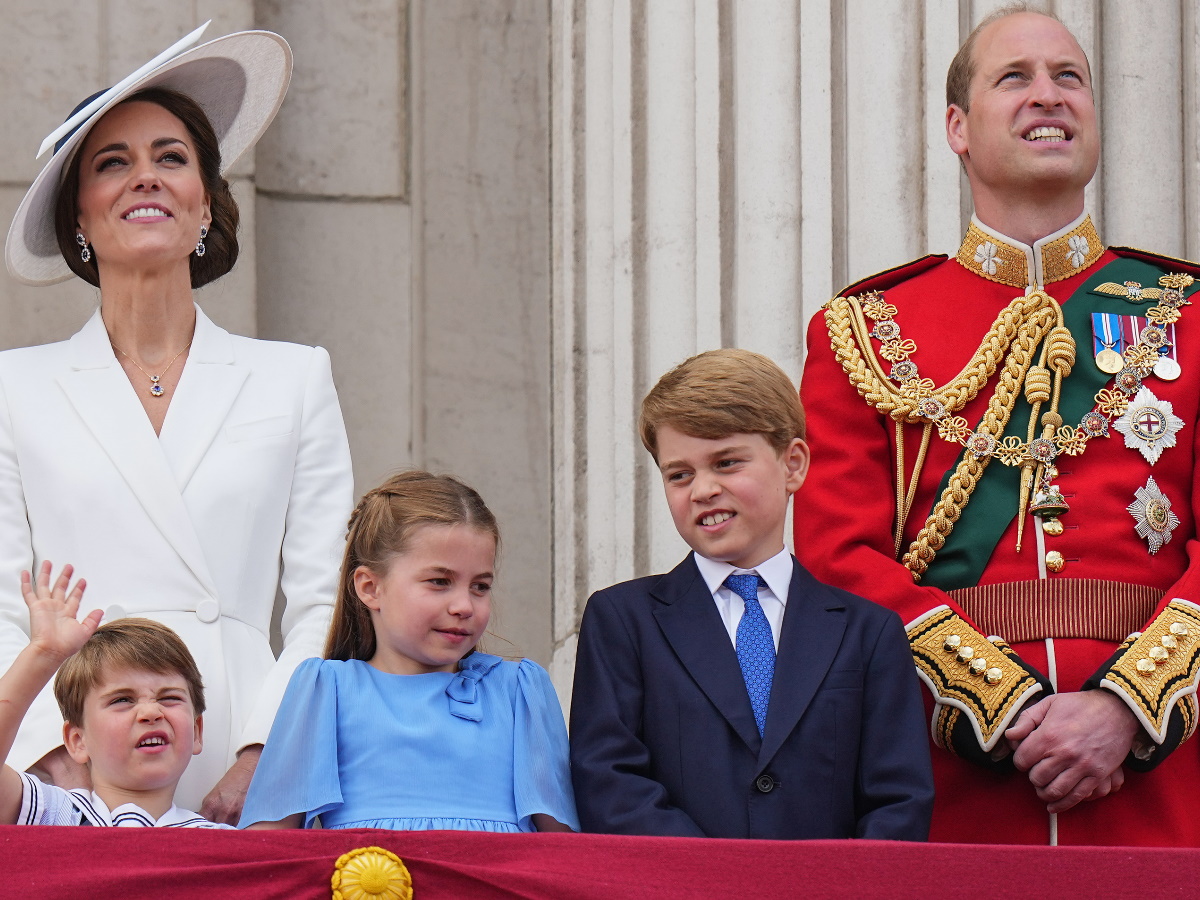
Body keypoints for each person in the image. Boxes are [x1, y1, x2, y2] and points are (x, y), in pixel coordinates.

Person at [796, 4, 1200, 847]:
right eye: (1013, 78)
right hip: (947, 784)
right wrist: (1002, 707)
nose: (1046, 96)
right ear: (958, 127)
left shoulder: (1188, 313)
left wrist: (1127, 708)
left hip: (1160, 786)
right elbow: (838, 558)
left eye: (1069, 79)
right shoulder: (867, 329)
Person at [1, 27, 353, 822]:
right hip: (78, 753)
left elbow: (323, 603)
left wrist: (268, 755)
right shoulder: (13, 386)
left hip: (239, 741)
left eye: (170, 157)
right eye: (112, 162)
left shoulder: (293, 377)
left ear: (204, 202)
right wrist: (52, 759)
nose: (145, 177)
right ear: (79, 218)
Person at [570, 349, 933, 839]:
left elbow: (898, 800)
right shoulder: (622, 620)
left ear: (793, 465)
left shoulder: (868, 631)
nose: (702, 489)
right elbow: (610, 782)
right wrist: (717, 884)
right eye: (680, 474)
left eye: (726, 462)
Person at [238, 471, 578, 832]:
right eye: (439, 582)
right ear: (370, 587)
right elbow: (269, 844)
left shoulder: (520, 691)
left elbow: (563, 848)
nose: (464, 605)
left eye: (480, 586)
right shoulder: (326, 690)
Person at [0, 561, 230, 828]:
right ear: (78, 740)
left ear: (196, 731)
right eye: (122, 700)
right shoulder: (57, 815)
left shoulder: (222, 842)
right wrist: (43, 653)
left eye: (169, 698)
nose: (151, 712)